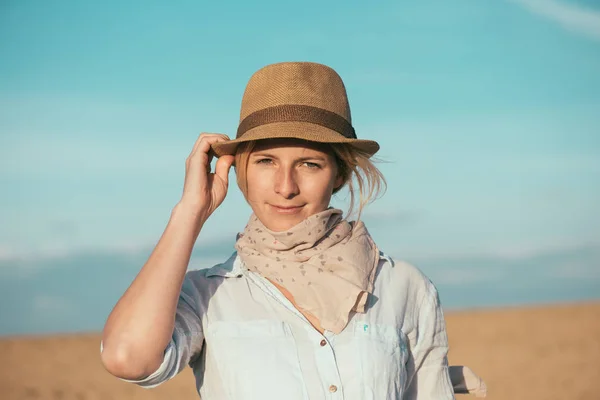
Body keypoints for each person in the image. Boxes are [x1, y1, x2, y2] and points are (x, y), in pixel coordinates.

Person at [100, 61, 486, 399]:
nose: (286, 187)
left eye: (309, 164)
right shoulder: (208, 294)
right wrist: (190, 212)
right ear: (240, 170)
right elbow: (127, 358)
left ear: (340, 174)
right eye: (266, 161)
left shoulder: (404, 287)